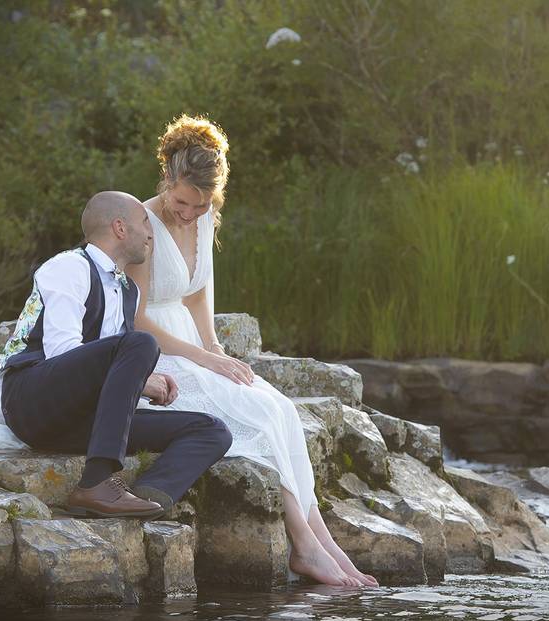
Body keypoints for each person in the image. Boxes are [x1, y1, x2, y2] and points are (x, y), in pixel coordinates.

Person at [126, 114, 378, 587]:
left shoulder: (203, 216)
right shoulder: (142, 222)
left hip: (194, 344)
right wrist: (205, 359)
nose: (189, 214)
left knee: (280, 409)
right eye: (182, 202)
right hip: (153, 349)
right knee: (253, 418)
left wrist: (216, 347)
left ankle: (323, 542)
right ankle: (303, 545)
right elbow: (137, 319)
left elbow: (198, 292)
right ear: (167, 179)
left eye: (201, 206)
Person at [0, 190, 233, 518]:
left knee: (211, 430)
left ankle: (151, 495)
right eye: (143, 223)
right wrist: (140, 374)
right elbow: (61, 354)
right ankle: (96, 484)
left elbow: (109, 364)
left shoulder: (127, 290)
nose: (151, 232)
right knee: (143, 343)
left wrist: (140, 380)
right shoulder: (69, 267)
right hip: (32, 401)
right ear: (120, 228)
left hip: (83, 418)